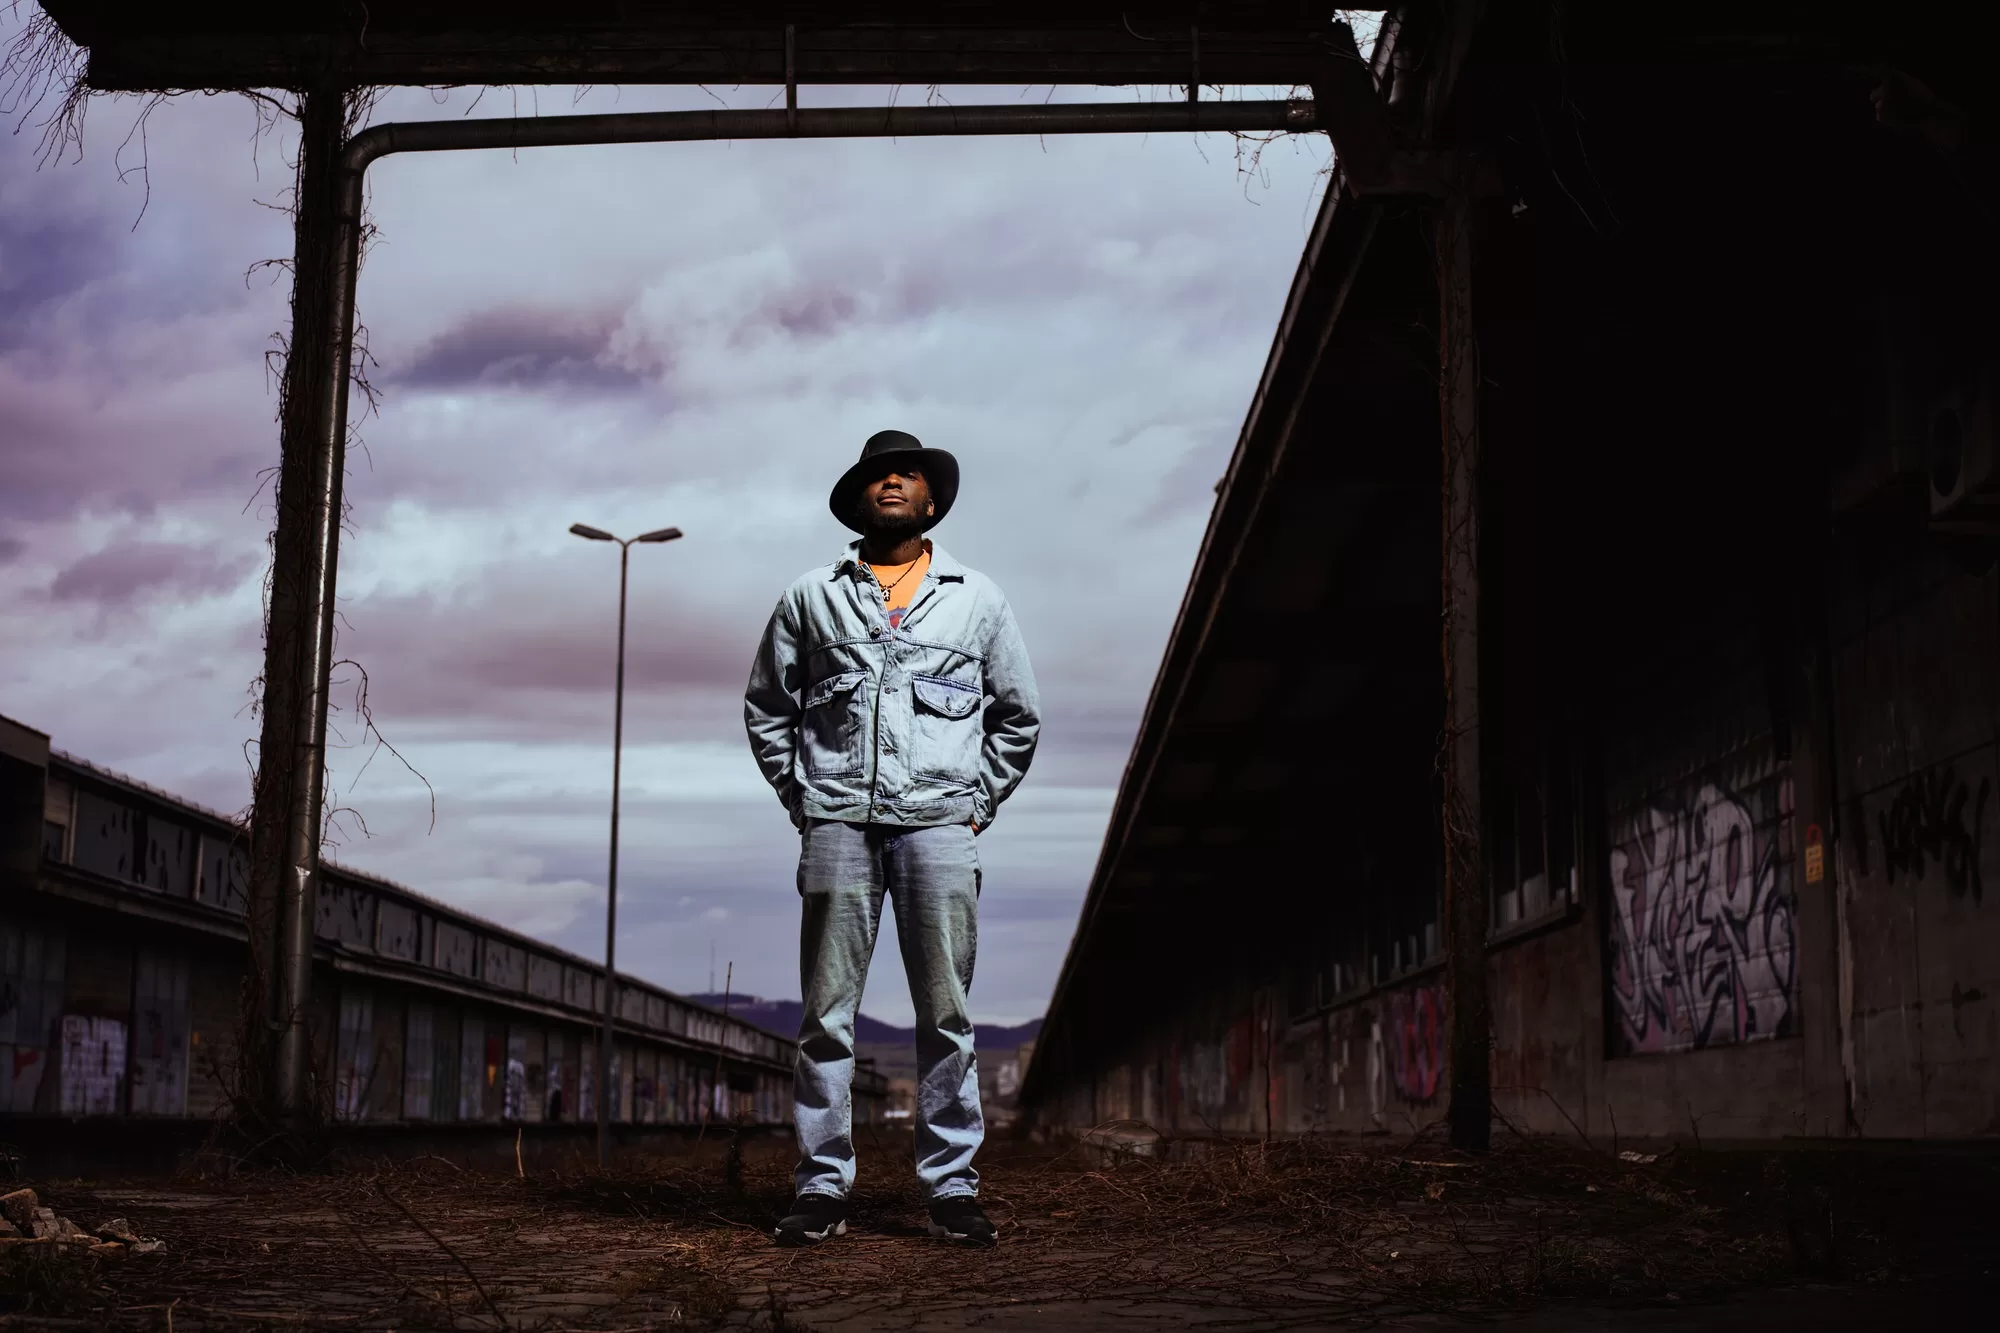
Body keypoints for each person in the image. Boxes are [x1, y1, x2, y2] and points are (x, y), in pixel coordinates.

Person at [745, 429, 1041, 1247]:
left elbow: (1017, 715)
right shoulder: (812, 595)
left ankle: (951, 1189)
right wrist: (803, 798)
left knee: (946, 1014)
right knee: (825, 1018)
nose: (892, 483)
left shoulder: (976, 598)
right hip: (838, 823)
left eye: (907, 474)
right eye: (878, 475)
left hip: (940, 827)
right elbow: (768, 705)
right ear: (858, 499)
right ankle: (820, 1188)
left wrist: (976, 801)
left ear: (931, 500)